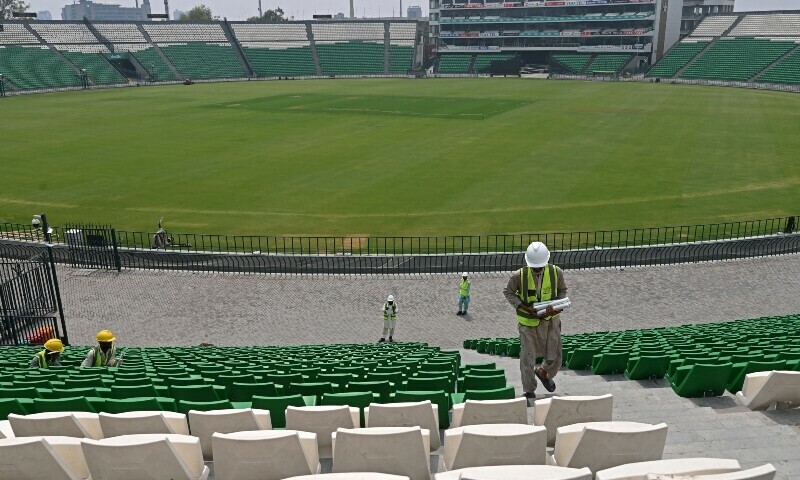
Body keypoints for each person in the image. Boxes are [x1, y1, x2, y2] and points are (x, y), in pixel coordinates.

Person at [503, 241, 567, 399]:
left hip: (551, 321)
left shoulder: (556, 272)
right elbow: (508, 292)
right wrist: (525, 307)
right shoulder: (519, 276)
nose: (537, 270)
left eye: (540, 266)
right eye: (534, 267)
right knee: (527, 358)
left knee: (556, 356)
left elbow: (562, 291)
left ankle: (543, 372)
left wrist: (558, 306)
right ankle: (529, 390)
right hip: (528, 324)